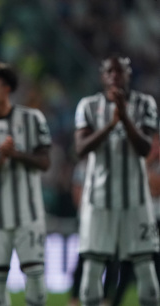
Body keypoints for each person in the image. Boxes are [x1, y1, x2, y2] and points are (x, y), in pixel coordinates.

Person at [75, 55, 160, 306]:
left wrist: (124, 117)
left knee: (146, 267)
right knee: (92, 267)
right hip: (97, 200)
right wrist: (111, 125)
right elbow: (80, 148)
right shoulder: (88, 106)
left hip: (136, 199)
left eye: (119, 71)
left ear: (128, 75)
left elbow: (145, 148)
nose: (114, 76)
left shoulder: (145, 104)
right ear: (102, 76)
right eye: (109, 72)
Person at [0, 61, 51, 306]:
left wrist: (15, 154)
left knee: (36, 283)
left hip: (29, 216)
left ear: (7, 88)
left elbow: (45, 162)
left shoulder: (33, 118)